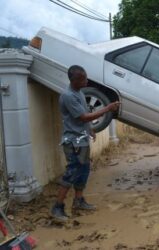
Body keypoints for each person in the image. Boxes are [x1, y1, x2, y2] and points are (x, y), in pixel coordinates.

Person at [51, 65, 120, 221]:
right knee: (71, 173)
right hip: (73, 142)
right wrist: (107, 108)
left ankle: (79, 201)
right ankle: (57, 207)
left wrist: (90, 129)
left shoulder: (79, 93)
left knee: (83, 171)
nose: (86, 80)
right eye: (82, 79)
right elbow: (83, 117)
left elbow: (85, 115)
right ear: (73, 80)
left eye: (85, 77)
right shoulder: (68, 96)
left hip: (81, 140)